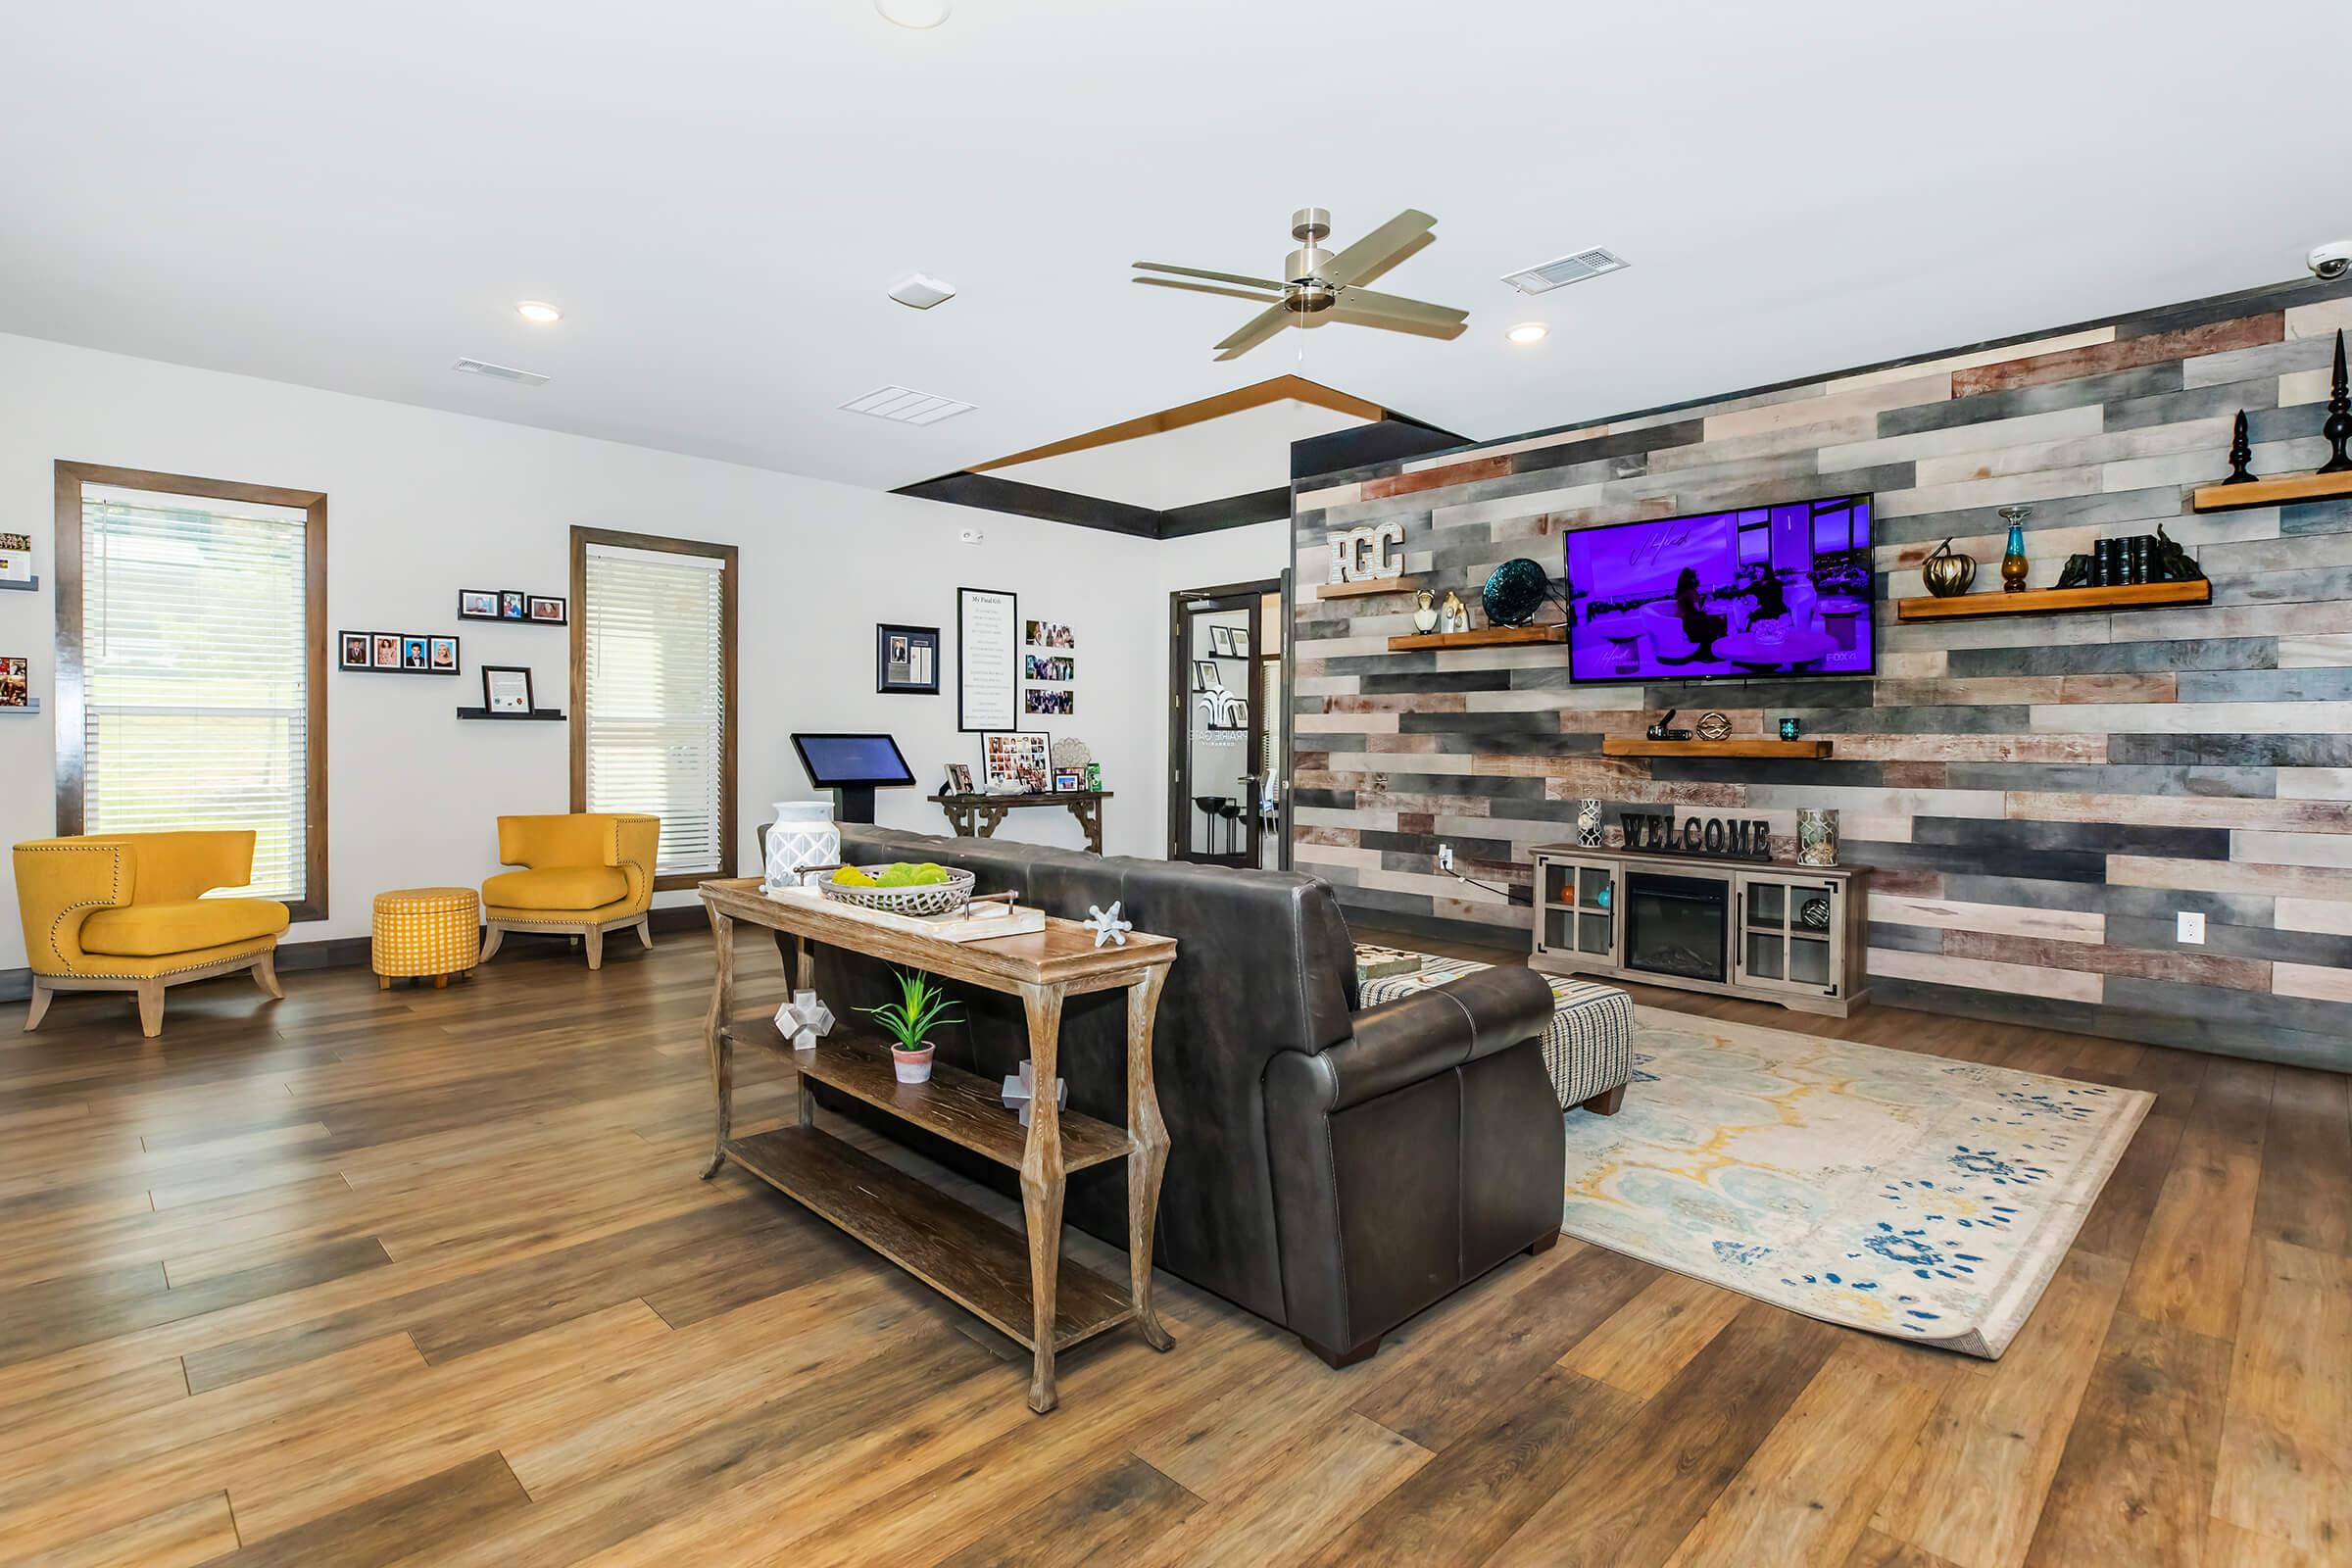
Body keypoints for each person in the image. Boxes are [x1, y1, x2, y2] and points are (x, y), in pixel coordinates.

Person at [1675, 567, 1727, 656]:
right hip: (1692, 623)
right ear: (1691, 579)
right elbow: (1697, 610)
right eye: (1696, 577)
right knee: (1720, 620)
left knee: (1716, 619)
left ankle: (1708, 650)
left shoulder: (1683, 591)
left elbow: (1693, 608)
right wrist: (1706, 600)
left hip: (1686, 622)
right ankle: (1715, 650)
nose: (1698, 579)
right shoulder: (1690, 592)